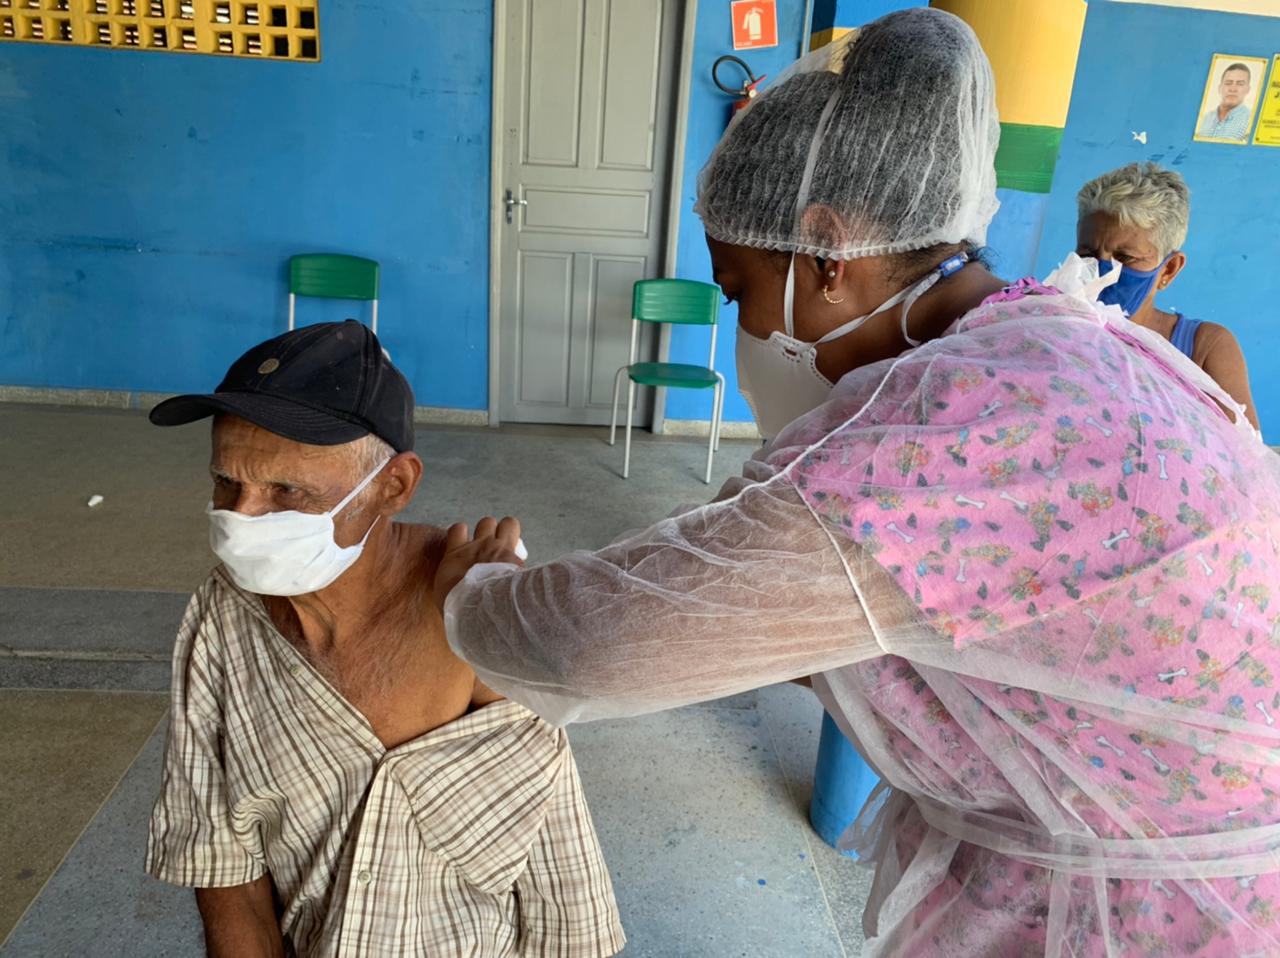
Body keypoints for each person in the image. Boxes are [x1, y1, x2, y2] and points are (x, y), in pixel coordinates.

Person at [437, 10, 1280, 957]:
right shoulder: (1051, 340)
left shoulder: (942, 431)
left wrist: (466, 595)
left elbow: (591, 648)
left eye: (737, 289)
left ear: (828, 253)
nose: (743, 327)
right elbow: (782, 577)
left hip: (1152, 914)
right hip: (1167, 853)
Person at [143, 321, 624, 957]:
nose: (242, 516)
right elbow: (220, 859)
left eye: (287, 490)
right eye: (226, 481)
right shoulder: (223, 617)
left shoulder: (468, 610)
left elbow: (547, 840)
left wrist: (502, 630)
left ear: (392, 486)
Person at [1076, 161, 1260, 430]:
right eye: (1087, 254)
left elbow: (1243, 450)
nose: (1102, 269)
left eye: (1124, 257)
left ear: (1169, 269)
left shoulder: (1205, 347)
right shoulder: (1051, 325)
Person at [1197, 61, 1254, 141]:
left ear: (1248, 89)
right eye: (1228, 83)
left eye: (1240, 84)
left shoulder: (1252, 122)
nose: (1233, 89)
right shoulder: (1202, 119)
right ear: (1220, 88)